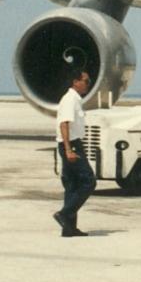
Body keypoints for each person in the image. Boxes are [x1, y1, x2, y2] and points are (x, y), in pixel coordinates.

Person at [53, 68, 96, 237]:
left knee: (72, 185)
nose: (88, 84)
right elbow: (64, 124)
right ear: (75, 82)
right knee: (88, 182)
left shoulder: (75, 99)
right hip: (72, 145)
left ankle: (69, 228)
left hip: (72, 144)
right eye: (86, 81)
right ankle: (64, 214)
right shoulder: (70, 99)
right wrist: (69, 149)